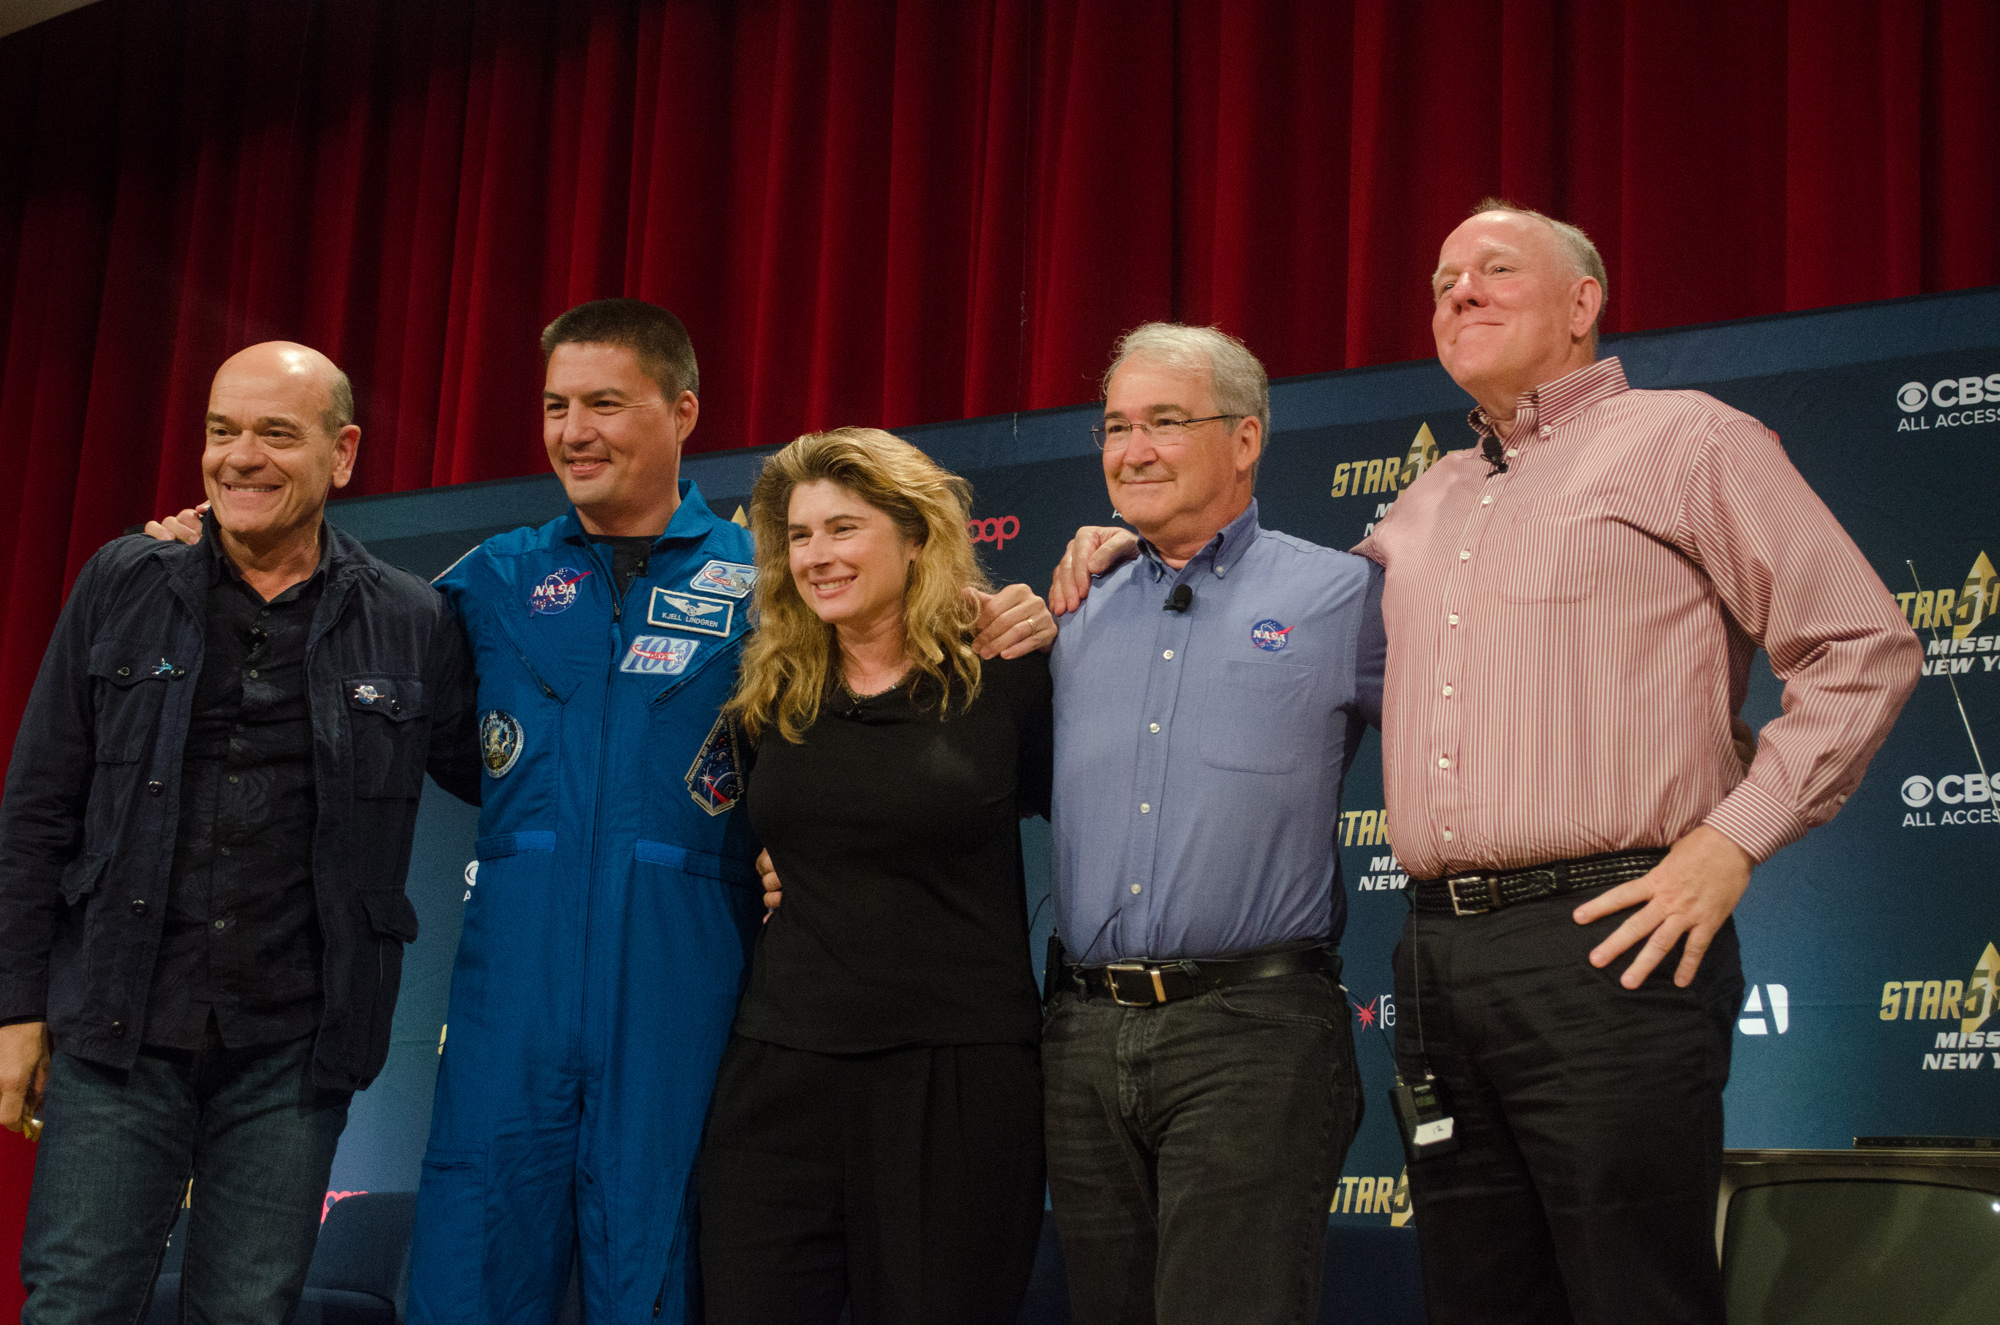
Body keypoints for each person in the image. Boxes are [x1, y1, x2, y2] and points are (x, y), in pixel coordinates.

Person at [147, 301, 1055, 1323]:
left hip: (690, 988)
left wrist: (994, 606)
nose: (573, 429)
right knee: (473, 1270)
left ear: (682, 411)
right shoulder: (488, 582)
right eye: (555, 405)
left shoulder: (771, 586)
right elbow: (349, 649)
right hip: (511, 996)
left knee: (663, 1272)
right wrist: (211, 547)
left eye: (604, 403)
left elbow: (880, 689)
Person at [1346, 200, 1921, 1324]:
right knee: (1477, 1299)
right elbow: (1282, 633)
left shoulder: (1684, 438)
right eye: (1439, 276)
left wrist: (1728, 837)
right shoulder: (1424, 497)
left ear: (1581, 303)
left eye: (1493, 267)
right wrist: (1141, 547)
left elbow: (1861, 645)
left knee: (1630, 1296)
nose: (1454, 290)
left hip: (1608, 936)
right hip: (1434, 959)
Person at [0, 342, 480, 1323]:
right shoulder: (124, 579)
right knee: (74, 1304)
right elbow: (37, 802)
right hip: (119, 1026)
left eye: (274, 432)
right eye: (222, 431)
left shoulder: (411, 617)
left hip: (296, 1045)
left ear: (342, 453)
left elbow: (503, 774)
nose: (239, 457)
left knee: (247, 1311)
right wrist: (14, 1008)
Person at [1038, 324, 1384, 1324]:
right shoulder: (1074, 602)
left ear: (1243, 440)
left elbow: (1470, 731)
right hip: (1082, 1034)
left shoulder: (1342, 595)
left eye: (1163, 422)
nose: (1131, 448)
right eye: (1114, 425)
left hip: (1252, 1033)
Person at [698, 428, 1052, 1325]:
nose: (816, 555)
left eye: (843, 528)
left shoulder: (1007, 673)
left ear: (917, 536)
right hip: (780, 1075)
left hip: (956, 1084)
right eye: (801, 534)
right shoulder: (769, 689)